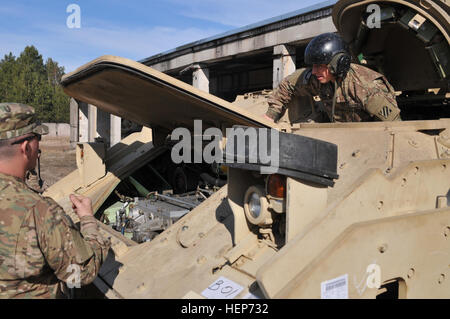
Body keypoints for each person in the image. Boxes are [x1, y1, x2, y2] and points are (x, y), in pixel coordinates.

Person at [0, 103, 111, 298]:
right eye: (38, 138)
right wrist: (87, 220)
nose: (39, 145)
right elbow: (79, 276)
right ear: (26, 147)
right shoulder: (40, 211)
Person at [265, 33, 401, 123]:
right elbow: (288, 85)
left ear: (337, 64)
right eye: (313, 66)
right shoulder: (318, 78)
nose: (313, 71)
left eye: (319, 66)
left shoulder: (367, 87)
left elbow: (394, 126)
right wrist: (271, 116)